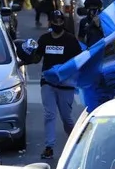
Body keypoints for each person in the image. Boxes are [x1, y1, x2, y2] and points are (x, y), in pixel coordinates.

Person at [22, 10, 84, 160]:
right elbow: (37, 58)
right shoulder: (44, 39)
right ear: (50, 22)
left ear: (63, 22)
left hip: (65, 84)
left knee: (66, 118)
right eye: (54, 21)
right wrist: (25, 56)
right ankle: (49, 147)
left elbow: (79, 60)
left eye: (60, 21)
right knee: (49, 114)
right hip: (48, 83)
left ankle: (77, 142)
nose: (57, 24)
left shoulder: (70, 40)